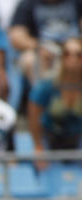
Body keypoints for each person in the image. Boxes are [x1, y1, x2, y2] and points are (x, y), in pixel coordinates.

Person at [28, 37, 82, 169]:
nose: (72, 59)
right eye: (67, 54)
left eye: (78, 55)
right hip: (50, 140)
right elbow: (34, 117)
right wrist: (38, 147)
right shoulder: (47, 86)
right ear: (62, 57)